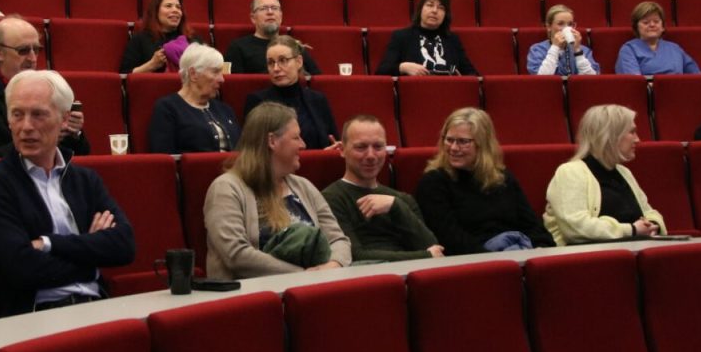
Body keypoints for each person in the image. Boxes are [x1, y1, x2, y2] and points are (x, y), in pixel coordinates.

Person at [0, 70, 135, 317]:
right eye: (17, 115)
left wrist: (49, 243)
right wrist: (91, 257)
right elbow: (21, 268)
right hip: (33, 315)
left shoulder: (85, 180)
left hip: (96, 305)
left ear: (64, 119)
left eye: (38, 115)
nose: (26, 127)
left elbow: (124, 245)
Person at [202, 101, 351, 279]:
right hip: (253, 296)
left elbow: (338, 240)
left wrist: (333, 265)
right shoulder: (226, 189)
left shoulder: (303, 186)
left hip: (312, 288)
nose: (303, 145)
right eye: (296, 138)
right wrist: (303, 276)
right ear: (272, 141)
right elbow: (236, 255)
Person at [414, 107, 552, 254]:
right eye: (449, 140)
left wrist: (541, 250)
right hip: (473, 261)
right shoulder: (433, 183)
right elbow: (451, 240)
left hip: (514, 253)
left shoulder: (502, 178)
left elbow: (532, 226)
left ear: (483, 144)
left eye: (463, 141)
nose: (453, 148)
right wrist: (496, 260)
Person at [0, 16, 87, 159]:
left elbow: (82, 154)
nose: (33, 58)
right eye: (23, 50)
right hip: (2, 179)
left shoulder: (49, 89)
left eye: (36, 49)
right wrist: (30, 144)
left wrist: (74, 132)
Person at [322, 115, 443, 262]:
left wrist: (396, 207)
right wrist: (424, 256)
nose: (371, 155)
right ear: (342, 150)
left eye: (378, 147)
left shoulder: (402, 199)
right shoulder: (331, 198)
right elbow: (353, 256)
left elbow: (432, 247)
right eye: (361, 147)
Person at [543, 103, 666, 245]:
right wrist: (631, 230)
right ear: (610, 135)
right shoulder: (570, 172)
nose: (637, 139)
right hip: (588, 258)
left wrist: (651, 224)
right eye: (632, 132)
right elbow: (575, 228)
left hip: (631, 250)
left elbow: (649, 212)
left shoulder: (624, 172)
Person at [243, 35, 338, 149]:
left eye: (283, 60)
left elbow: (333, 140)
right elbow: (252, 149)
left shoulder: (317, 99)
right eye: (271, 62)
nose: (276, 68)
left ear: (299, 62)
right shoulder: (257, 101)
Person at [147, 43, 240, 153]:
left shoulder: (225, 109)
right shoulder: (168, 108)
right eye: (215, 72)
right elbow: (164, 157)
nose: (222, 79)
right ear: (193, 74)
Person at [375, 0, 478, 76]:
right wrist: (402, 67)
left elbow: (472, 74)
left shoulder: (452, 40)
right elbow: (381, 72)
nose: (434, 11)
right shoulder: (402, 36)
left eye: (441, 8)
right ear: (420, 9)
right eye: (430, 5)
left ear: (445, 15)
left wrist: (463, 79)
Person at [224, 0, 322, 75]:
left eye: (274, 8)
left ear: (281, 16)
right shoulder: (237, 47)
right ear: (253, 18)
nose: (270, 12)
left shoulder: (294, 45)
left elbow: (316, 79)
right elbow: (234, 86)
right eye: (263, 8)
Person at [121, 0, 201, 74]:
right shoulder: (140, 39)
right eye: (168, 6)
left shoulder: (192, 38)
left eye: (178, 7)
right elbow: (125, 76)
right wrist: (151, 65)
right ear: (156, 11)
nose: (175, 10)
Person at [614, 1, 701, 75]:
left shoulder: (675, 48)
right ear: (636, 27)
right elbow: (633, 84)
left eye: (656, 21)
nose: (652, 25)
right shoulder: (629, 49)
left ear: (662, 26)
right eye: (646, 22)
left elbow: (697, 77)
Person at [526, 4, 598, 75]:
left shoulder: (583, 50)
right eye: (560, 24)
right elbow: (542, 79)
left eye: (570, 24)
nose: (566, 28)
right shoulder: (537, 49)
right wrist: (555, 48)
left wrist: (577, 51)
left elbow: (592, 80)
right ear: (549, 27)